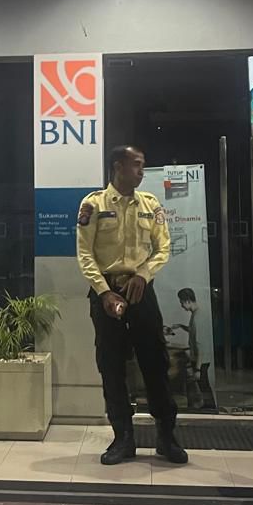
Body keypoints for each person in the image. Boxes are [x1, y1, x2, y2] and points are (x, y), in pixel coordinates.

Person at [77, 145, 187, 466]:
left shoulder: (150, 204)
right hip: (106, 292)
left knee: (155, 362)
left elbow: (162, 248)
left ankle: (166, 437)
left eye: (142, 165)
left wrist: (143, 274)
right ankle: (123, 438)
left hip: (141, 291)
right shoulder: (93, 204)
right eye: (136, 165)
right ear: (118, 166)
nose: (141, 171)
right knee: (111, 365)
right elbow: (85, 254)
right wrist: (104, 292)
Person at [165, 288, 217, 411]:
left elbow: (200, 344)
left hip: (200, 359)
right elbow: (192, 330)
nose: (181, 306)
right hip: (201, 358)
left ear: (188, 301)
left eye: (182, 302)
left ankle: (210, 407)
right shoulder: (197, 314)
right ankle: (208, 405)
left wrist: (198, 368)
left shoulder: (197, 318)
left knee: (203, 385)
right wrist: (180, 326)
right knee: (203, 385)